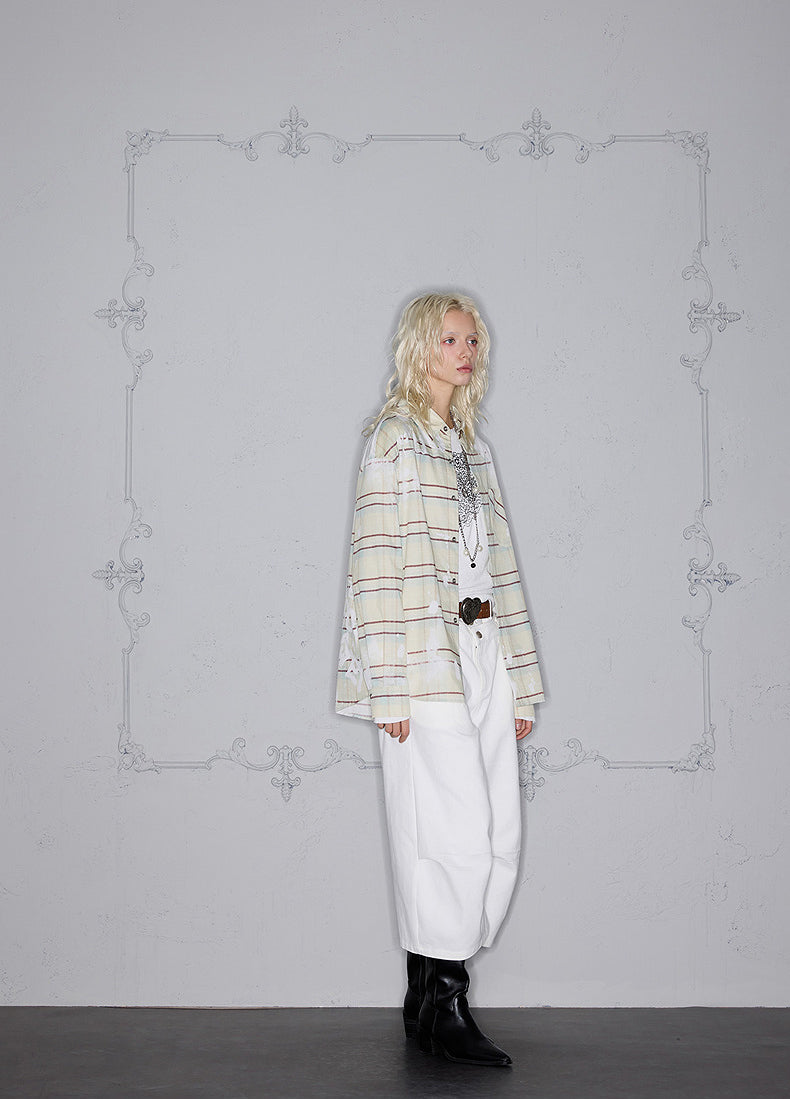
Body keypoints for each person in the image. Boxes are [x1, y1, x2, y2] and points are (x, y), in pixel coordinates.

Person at [335, 291, 545, 1067]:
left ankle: (425, 996)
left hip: (485, 650)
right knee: (444, 828)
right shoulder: (392, 439)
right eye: (451, 339)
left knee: (494, 828)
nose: (465, 352)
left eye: (472, 340)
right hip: (425, 659)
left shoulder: (471, 447)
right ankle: (446, 1002)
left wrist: (520, 677)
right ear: (422, 346)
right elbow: (374, 567)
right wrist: (387, 687)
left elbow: (502, 567)